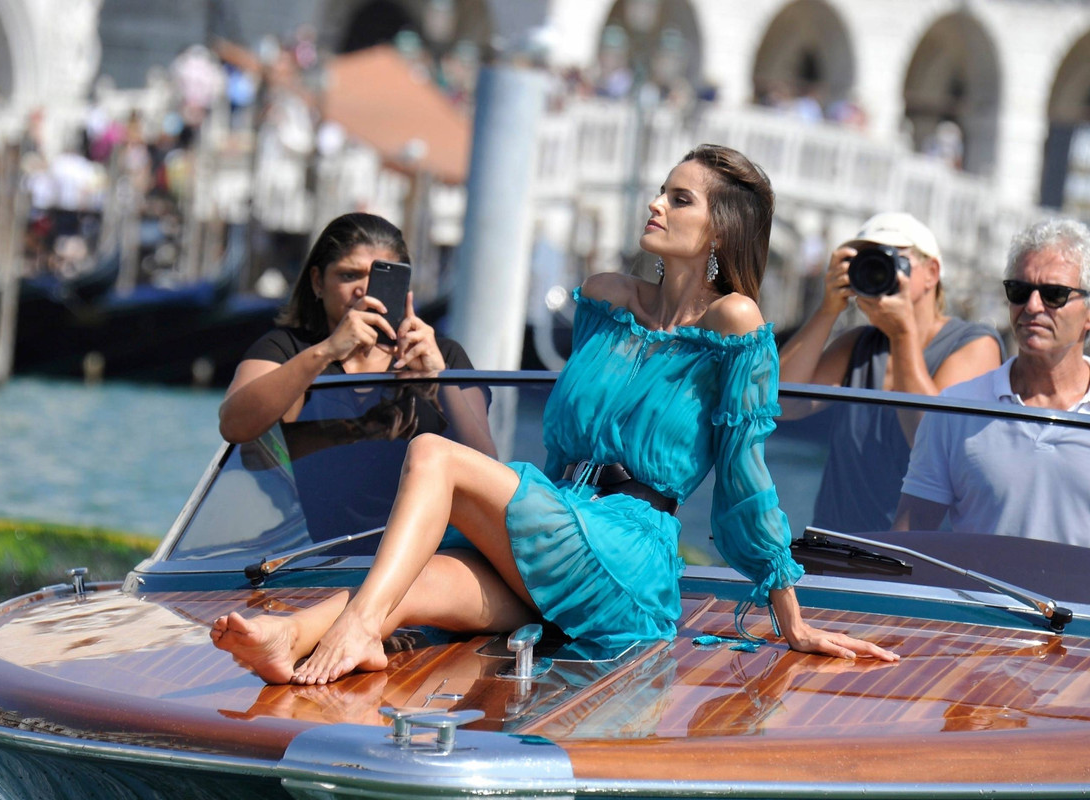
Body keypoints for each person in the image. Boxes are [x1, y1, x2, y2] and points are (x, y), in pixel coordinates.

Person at [211, 144, 899, 686]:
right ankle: (291, 636)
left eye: (678, 198)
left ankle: (355, 632)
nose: (655, 204)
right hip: (562, 525)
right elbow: (562, 446)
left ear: (720, 228)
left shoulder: (734, 320)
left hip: (628, 551)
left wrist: (789, 613)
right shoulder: (606, 298)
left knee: (433, 455)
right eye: (661, 190)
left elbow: (746, 474)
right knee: (421, 579)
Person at [895, 218, 1090, 548]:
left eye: (1054, 294)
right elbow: (905, 542)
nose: (1032, 306)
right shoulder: (954, 409)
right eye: (1020, 291)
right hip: (975, 601)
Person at [778, 212, 1004, 532]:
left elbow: (933, 439)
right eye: (865, 259)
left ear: (932, 272)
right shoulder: (857, 345)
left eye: (896, 258)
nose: (878, 268)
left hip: (916, 564)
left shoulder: (975, 344)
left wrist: (902, 336)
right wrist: (827, 309)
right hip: (833, 551)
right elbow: (778, 403)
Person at [218, 211, 493, 454]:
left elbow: (485, 461)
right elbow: (234, 426)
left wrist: (440, 378)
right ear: (317, 281)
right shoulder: (286, 349)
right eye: (349, 275)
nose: (363, 290)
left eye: (378, 279)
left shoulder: (444, 355)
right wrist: (327, 351)